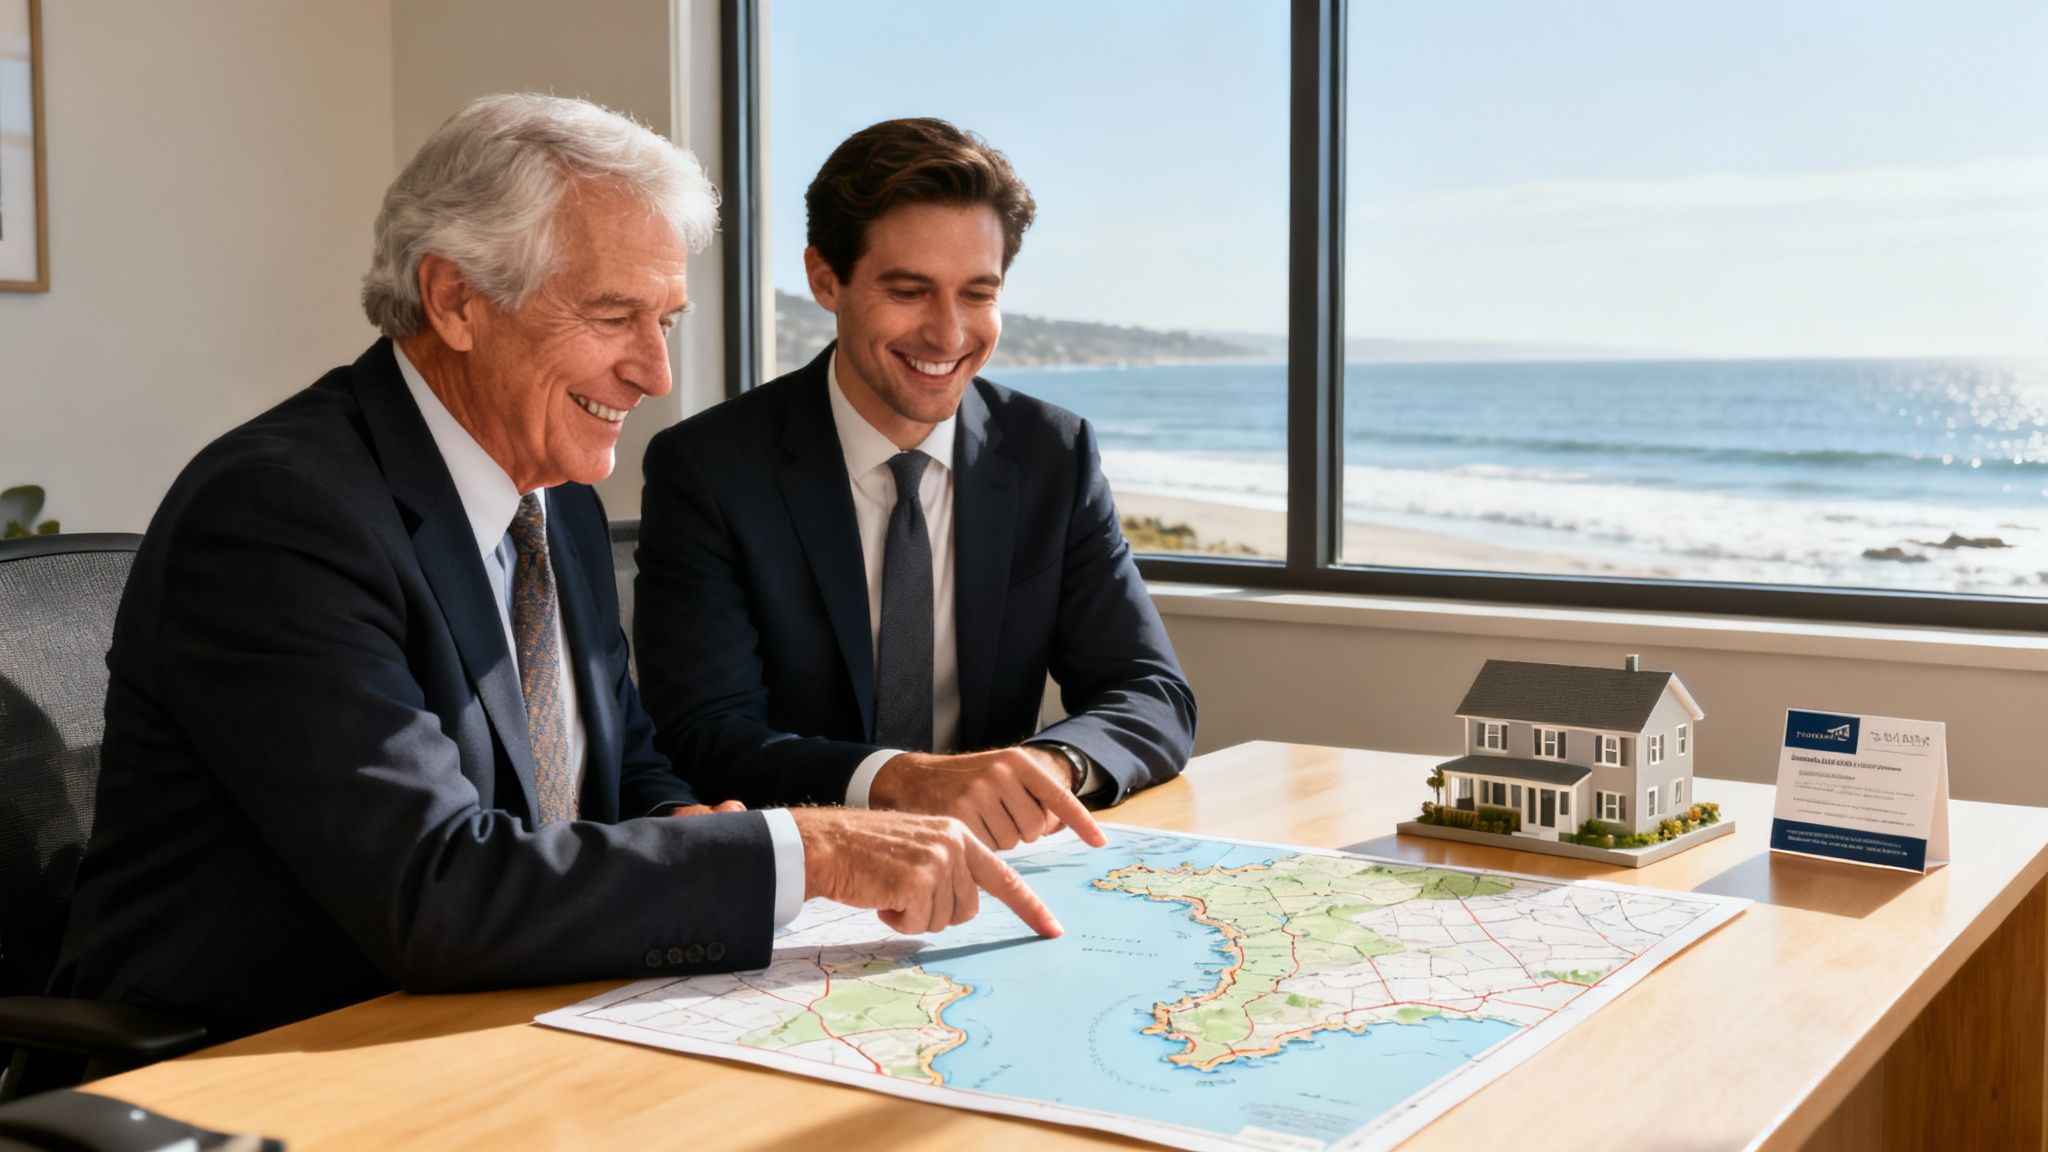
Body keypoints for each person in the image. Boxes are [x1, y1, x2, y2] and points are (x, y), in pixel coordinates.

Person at [52, 95, 1055, 1043]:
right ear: (454, 298)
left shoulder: (552, 494)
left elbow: (621, 765)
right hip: (269, 1060)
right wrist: (812, 849)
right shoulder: (280, 517)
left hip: (513, 1019)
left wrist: (680, 827)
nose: (655, 374)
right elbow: (436, 888)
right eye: (614, 317)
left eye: (664, 322)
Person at [634, 118, 1196, 853]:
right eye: (909, 290)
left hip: (990, 871)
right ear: (825, 279)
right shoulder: (707, 469)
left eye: (977, 293)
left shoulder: (1052, 454)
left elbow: (1150, 694)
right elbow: (705, 735)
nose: (948, 334)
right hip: (804, 876)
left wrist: (1041, 767)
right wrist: (902, 780)